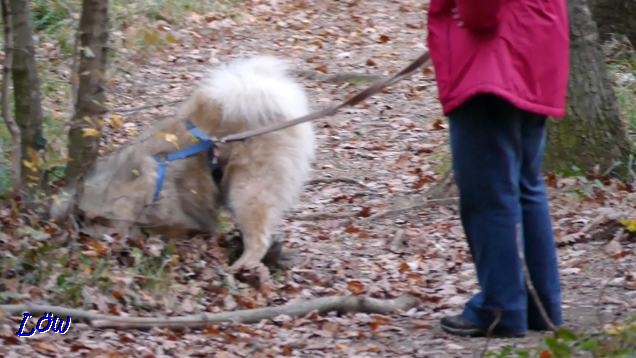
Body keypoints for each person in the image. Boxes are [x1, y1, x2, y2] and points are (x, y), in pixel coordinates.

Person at [426, 0, 569, 337]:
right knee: (525, 187)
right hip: (534, 46)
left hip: (491, 59)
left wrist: (468, 15)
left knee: (489, 195)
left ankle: (501, 307)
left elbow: (479, 12)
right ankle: (540, 306)